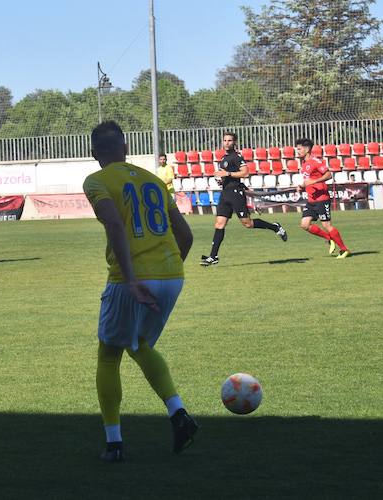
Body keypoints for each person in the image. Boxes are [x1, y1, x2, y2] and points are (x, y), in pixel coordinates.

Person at [83, 121, 197, 463]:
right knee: (140, 344)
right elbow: (187, 237)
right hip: (172, 275)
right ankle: (178, 413)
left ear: (94, 153)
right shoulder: (155, 181)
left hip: (131, 279)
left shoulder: (97, 181)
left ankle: (114, 443)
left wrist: (133, 279)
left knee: (109, 354)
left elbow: (115, 224)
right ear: (126, 148)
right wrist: (167, 270)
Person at [201, 132, 287, 266]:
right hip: (225, 194)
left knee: (248, 224)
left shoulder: (236, 157)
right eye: (225, 140)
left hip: (236, 193)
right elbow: (226, 176)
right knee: (219, 224)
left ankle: (274, 227)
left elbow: (245, 173)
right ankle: (213, 256)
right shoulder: (224, 158)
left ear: (234, 142)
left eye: (229, 140)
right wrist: (222, 180)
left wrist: (228, 173)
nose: (227, 142)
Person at [295, 138, 350, 258]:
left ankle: (344, 249)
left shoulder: (315, 161)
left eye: (299, 149)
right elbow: (308, 182)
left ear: (307, 149)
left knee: (326, 225)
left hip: (322, 199)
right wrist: (301, 187)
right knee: (304, 224)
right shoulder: (304, 164)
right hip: (311, 200)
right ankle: (329, 239)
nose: (297, 151)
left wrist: (314, 181)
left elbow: (328, 174)